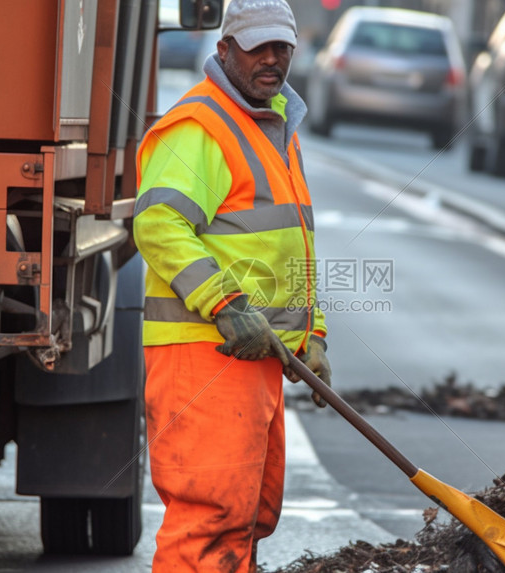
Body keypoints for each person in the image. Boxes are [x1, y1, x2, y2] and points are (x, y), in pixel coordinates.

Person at [132, 0, 332, 571]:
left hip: (257, 358)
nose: (272, 59)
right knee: (210, 519)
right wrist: (225, 304)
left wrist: (313, 335)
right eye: (257, 46)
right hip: (205, 355)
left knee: (248, 517)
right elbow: (158, 224)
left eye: (282, 47)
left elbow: (287, 246)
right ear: (224, 50)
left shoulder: (273, 125)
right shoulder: (201, 126)